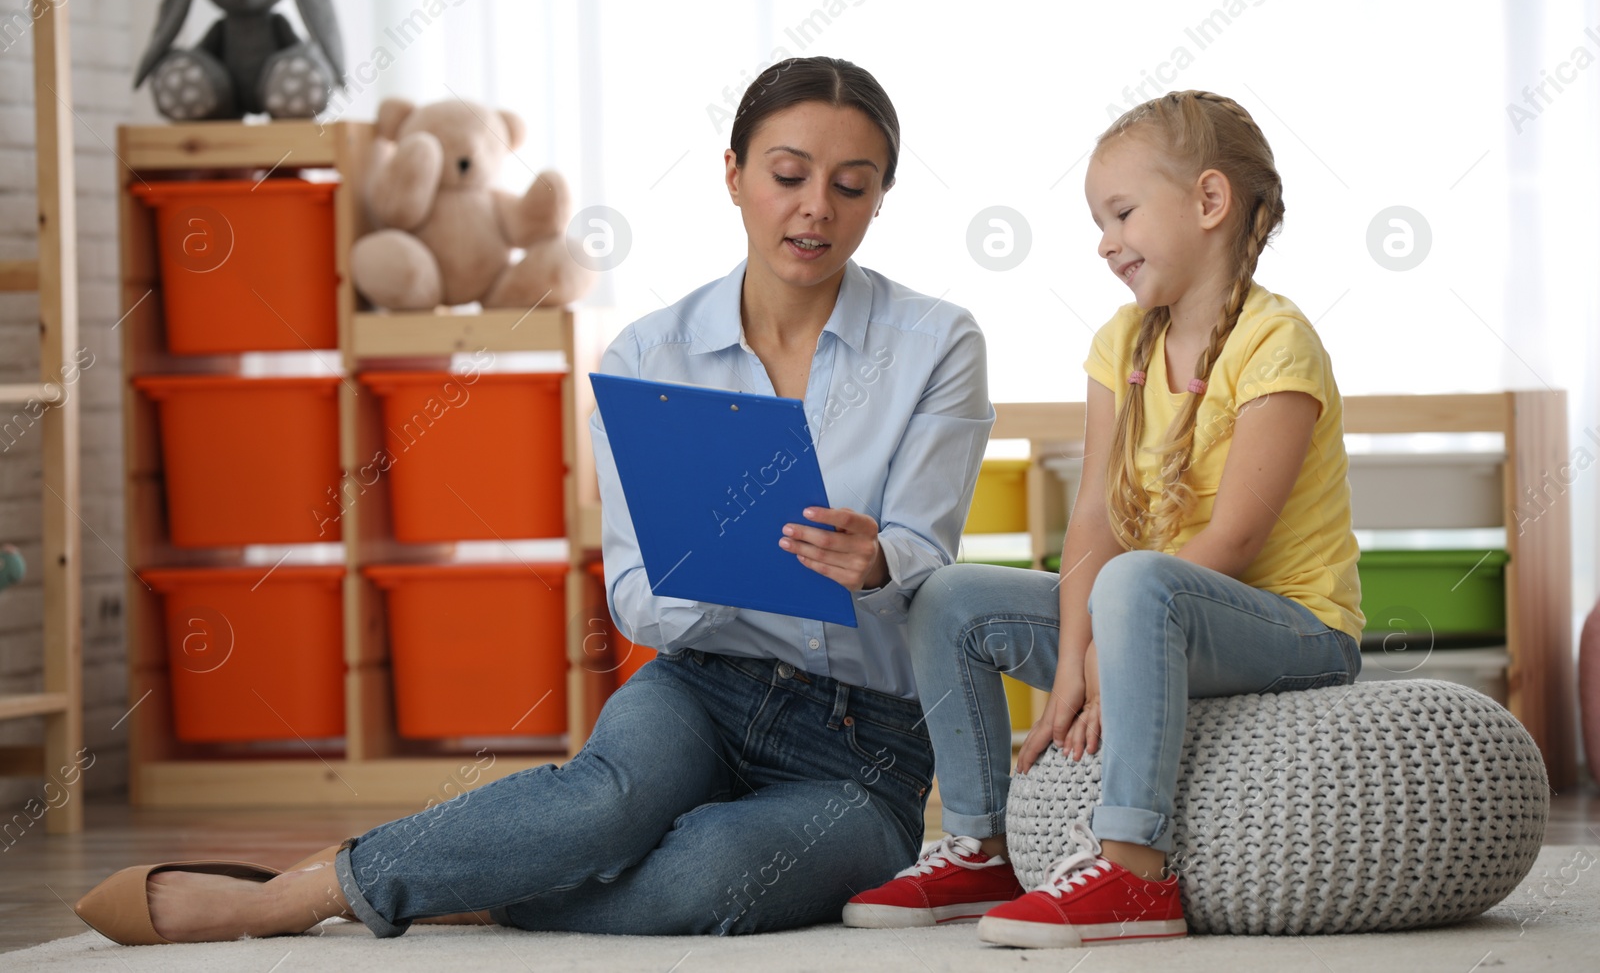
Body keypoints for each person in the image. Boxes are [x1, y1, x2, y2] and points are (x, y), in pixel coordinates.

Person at [73, 56, 994, 944]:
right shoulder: (649, 356)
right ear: (734, 174)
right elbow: (634, 600)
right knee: (604, 802)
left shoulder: (936, 342)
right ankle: (284, 898)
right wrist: (727, 564)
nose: (815, 208)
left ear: (880, 198)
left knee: (711, 872)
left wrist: (876, 562)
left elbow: (927, 558)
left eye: (852, 185)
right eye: (789, 174)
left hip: (863, 742)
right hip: (704, 686)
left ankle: (470, 887)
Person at [843, 89, 1364, 949]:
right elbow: (1094, 518)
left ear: (1208, 201)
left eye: (1122, 212)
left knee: (1137, 580)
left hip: (1293, 630)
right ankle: (983, 845)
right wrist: (1077, 660)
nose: (1105, 241)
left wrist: (1112, 654)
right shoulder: (1121, 345)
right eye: (1099, 220)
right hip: (1149, 612)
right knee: (944, 597)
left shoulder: (1278, 341)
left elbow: (1232, 541)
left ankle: (1134, 866)